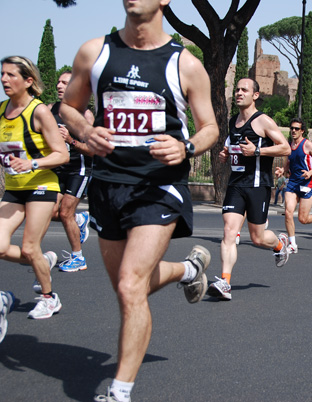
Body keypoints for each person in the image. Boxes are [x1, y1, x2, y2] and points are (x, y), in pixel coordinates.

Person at [59, 1, 219, 400]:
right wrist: (85, 127)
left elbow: (210, 127)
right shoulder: (94, 52)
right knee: (129, 287)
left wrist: (185, 147)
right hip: (107, 184)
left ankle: (119, 390)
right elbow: (68, 107)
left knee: (131, 286)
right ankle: (187, 269)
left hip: (158, 186)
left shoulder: (186, 65)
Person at [0, 56, 69, 319]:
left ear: (29, 81)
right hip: (15, 188)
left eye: (11, 75)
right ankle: (43, 261)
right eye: (2, 74)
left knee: (30, 247)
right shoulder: (1, 111)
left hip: (41, 185)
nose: (5, 79)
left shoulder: (38, 111)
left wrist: (32, 164)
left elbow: (61, 154)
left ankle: (49, 297)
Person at [211, 77, 291, 301]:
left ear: (255, 95)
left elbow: (284, 148)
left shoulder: (263, 121)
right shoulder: (232, 121)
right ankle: (225, 282)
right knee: (229, 231)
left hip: (258, 185)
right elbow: (233, 143)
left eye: (244, 90)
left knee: (257, 238)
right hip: (236, 184)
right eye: (237, 89)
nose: (239, 93)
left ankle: (279, 244)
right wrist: (227, 153)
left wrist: (257, 152)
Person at [48, 69, 95, 272]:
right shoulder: (50, 109)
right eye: (58, 81)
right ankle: (80, 219)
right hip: (57, 169)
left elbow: (93, 150)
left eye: (65, 82)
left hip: (79, 169)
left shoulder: (84, 115)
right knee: (49, 212)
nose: (59, 85)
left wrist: (71, 140)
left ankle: (78, 257)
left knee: (65, 211)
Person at [279, 117, 312, 253]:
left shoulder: (307, 145)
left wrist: (310, 172)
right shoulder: (289, 146)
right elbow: (288, 164)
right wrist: (282, 171)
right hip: (293, 183)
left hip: (307, 183)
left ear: (302, 131)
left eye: (296, 129)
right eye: (292, 128)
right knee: (288, 212)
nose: (293, 131)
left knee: (303, 219)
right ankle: (293, 244)